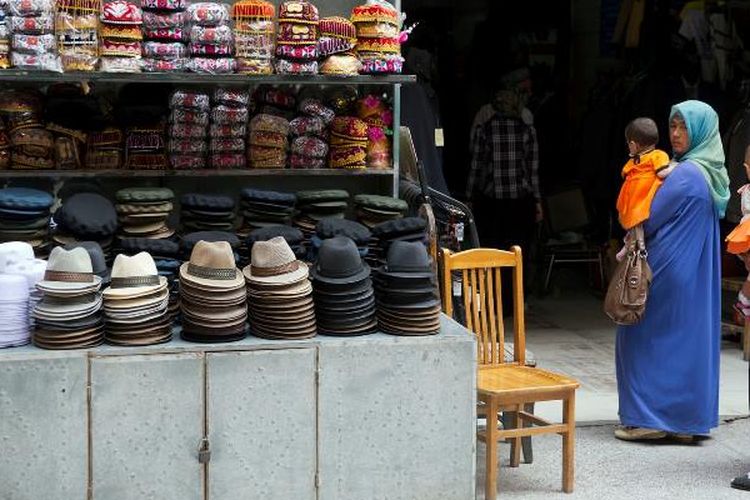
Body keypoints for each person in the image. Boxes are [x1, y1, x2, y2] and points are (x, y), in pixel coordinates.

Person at [615, 100, 729, 443]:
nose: (676, 134)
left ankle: (648, 419)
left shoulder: (684, 175)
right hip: (693, 273)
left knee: (638, 338)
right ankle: (683, 423)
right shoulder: (712, 174)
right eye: (673, 126)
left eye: (683, 127)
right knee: (686, 344)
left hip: (663, 271)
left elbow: (645, 218)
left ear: (700, 132)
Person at [466, 68, 543, 254]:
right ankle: (517, 283)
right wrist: (538, 202)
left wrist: (469, 197)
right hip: (520, 202)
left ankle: (495, 284)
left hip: (492, 203)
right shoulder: (527, 131)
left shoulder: (484, 130)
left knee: (493, 251)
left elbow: (475, 168)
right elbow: (532, 172)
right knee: (517, 252)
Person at [614, 118, 671, 262]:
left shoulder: (642, 158)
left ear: (633, 145)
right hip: (639, 195)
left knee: (636, 224)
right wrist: (675, 167)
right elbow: (662, 172)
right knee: (636, 224)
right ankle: (631, 246)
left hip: (635, 196)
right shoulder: (658, 155)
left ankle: (631, 247)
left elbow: (625, 173)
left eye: (628, 143)